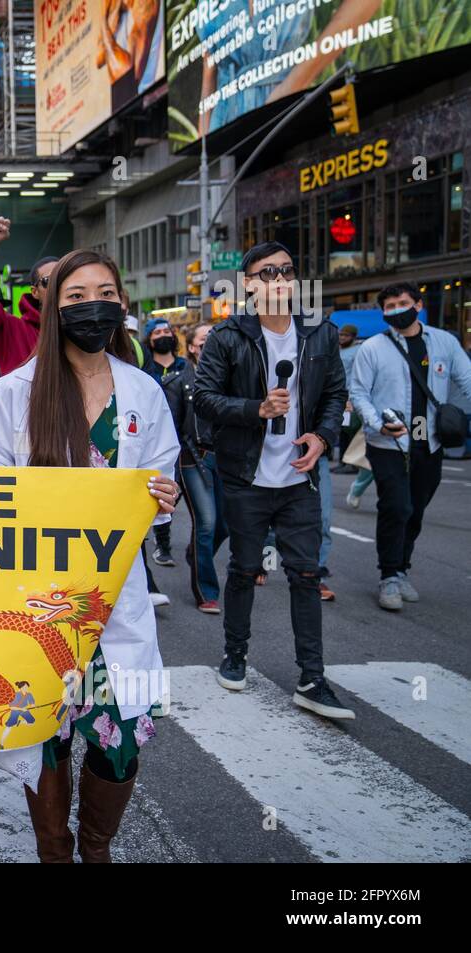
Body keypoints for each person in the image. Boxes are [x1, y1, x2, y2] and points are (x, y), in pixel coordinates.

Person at [0, 248, 180, 863]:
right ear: (51, 307)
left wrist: (162, 497)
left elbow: (158, 485)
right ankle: (54, 850)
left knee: (120, 744)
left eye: (105, 293)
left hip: (117, 599)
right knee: (45, 735)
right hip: (36, 604)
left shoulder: (143, 389)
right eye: (76, 296)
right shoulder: (16, 391)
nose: (93, 306)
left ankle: (97, 848)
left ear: (120, 303)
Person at [192, 241, 352, 720]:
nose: (279, 279)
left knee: (305, 574)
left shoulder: (319, 333)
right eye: (267, 273)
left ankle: (311, 678)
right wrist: (255, 409)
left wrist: (323, 437)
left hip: (299, 477)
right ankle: (235, 655)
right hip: (245, 475)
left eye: (287, 270)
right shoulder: (228, 337)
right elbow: (204, 398)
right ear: (249, 285)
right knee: (244, 568)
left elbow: (334, 394)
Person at [348, 282, 471, 610]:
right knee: (397, 506)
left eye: (403, 303)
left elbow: (467, 379)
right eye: (389, 306)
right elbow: (358, 392)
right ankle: (388, 575)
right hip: (388, 442)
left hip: (430, 442)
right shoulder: (373, 347)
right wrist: (377, 423)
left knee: (416, 509)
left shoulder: (444, 342)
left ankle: (402, 569)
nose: (397, 310)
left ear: (418, 304)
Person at [166, 323, 225, 612]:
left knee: (225, 526)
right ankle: (207, 591)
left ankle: (196, 555)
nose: (210, 344)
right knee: (207, 523)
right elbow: (172, 429)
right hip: (193, 457)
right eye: (204, 340)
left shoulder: (232, 376)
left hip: (228, 459)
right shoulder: (180, 381)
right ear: (191, 347)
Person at [0, 216, 56, 375]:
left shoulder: (83, 329)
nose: (56, 285)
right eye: (48, 281)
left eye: (62, 279)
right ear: (34, 292)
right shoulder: (13, 332)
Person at [144, 318, 186, 567]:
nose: (162, 335)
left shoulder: (185, 367)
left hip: (186, 441)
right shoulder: (146, 372)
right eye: (156, 332)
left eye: (166, 330)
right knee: (162, 492)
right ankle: (162, 542)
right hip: (156, 440)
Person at [332, 323, 362, 473]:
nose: (342, 338)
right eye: (341, 335)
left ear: (353, 337)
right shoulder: (338, 349)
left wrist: (352, 398)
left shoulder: (357, 351)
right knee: (342, 430)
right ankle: (343, 461)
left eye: (346, 335)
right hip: (338, 395)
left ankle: (353, 463)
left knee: (350, 430)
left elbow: (357, 375)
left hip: (350, 397)